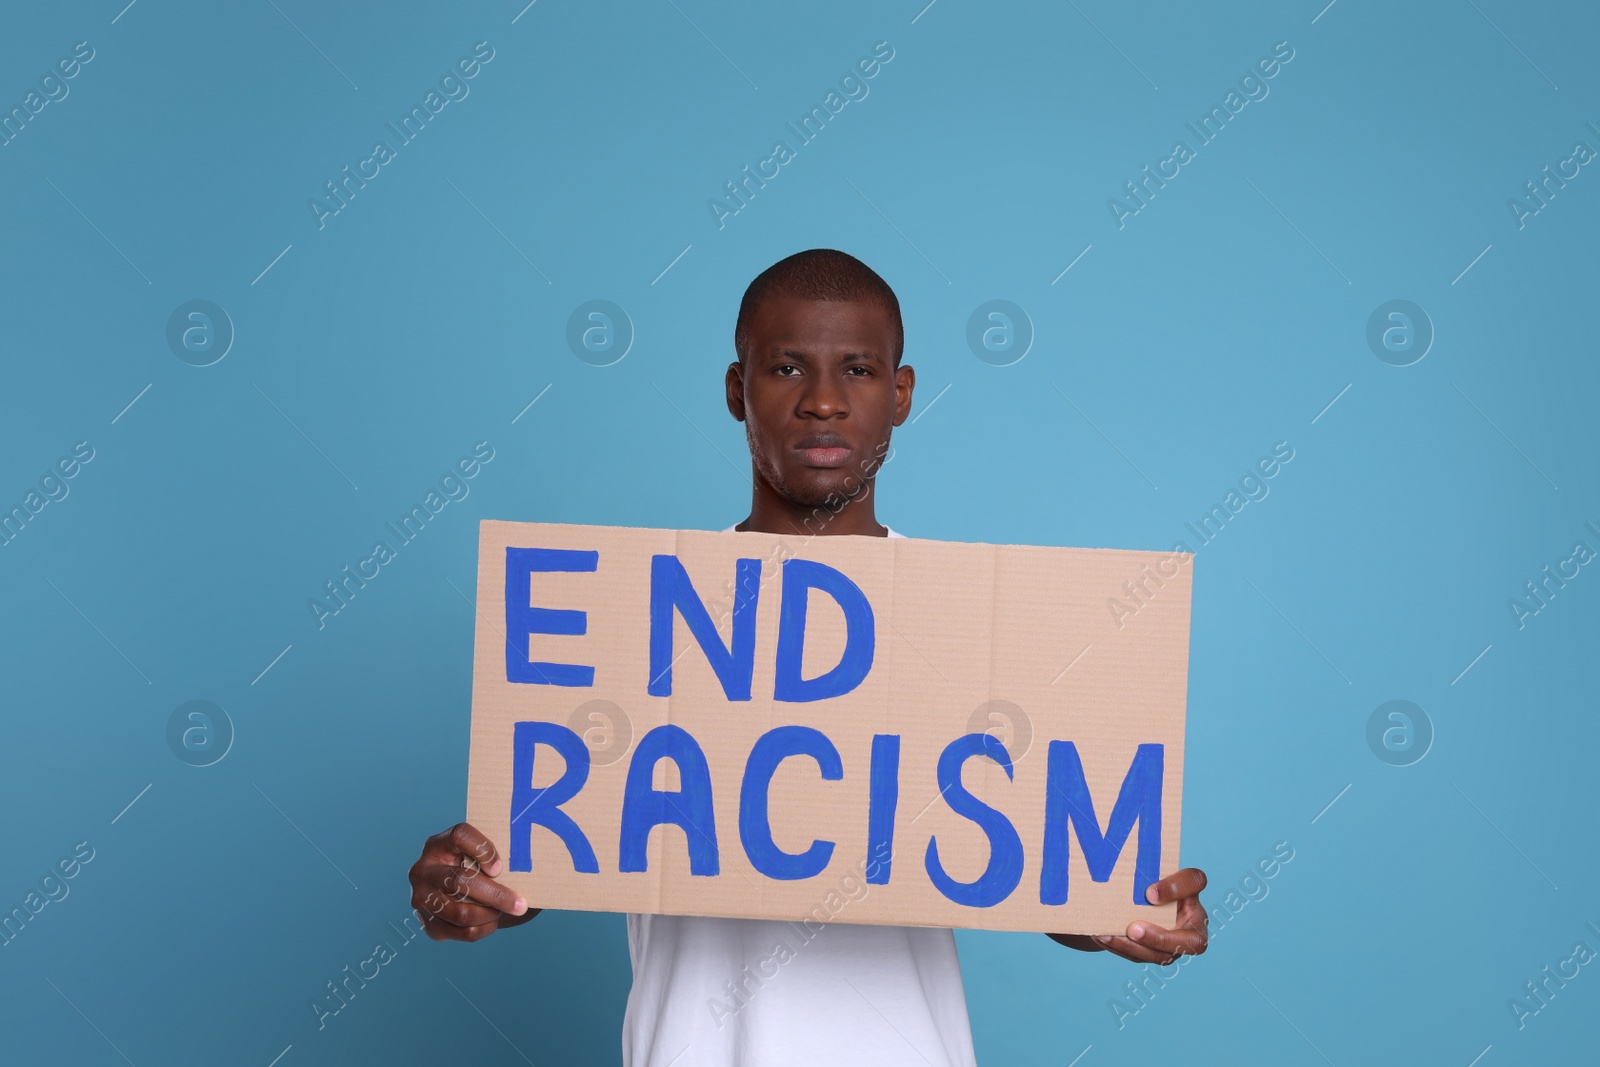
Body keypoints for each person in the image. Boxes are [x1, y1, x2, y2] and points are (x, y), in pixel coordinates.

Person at [408, 249, 1210, 1065]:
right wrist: (473, 881)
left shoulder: (973, 620)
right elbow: (581, 833)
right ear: (737, 390)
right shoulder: (638, 613)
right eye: (787, 367)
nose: (823, 401)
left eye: (857, 370)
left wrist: (1114, 904)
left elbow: (1018, 846)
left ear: (900, 395)